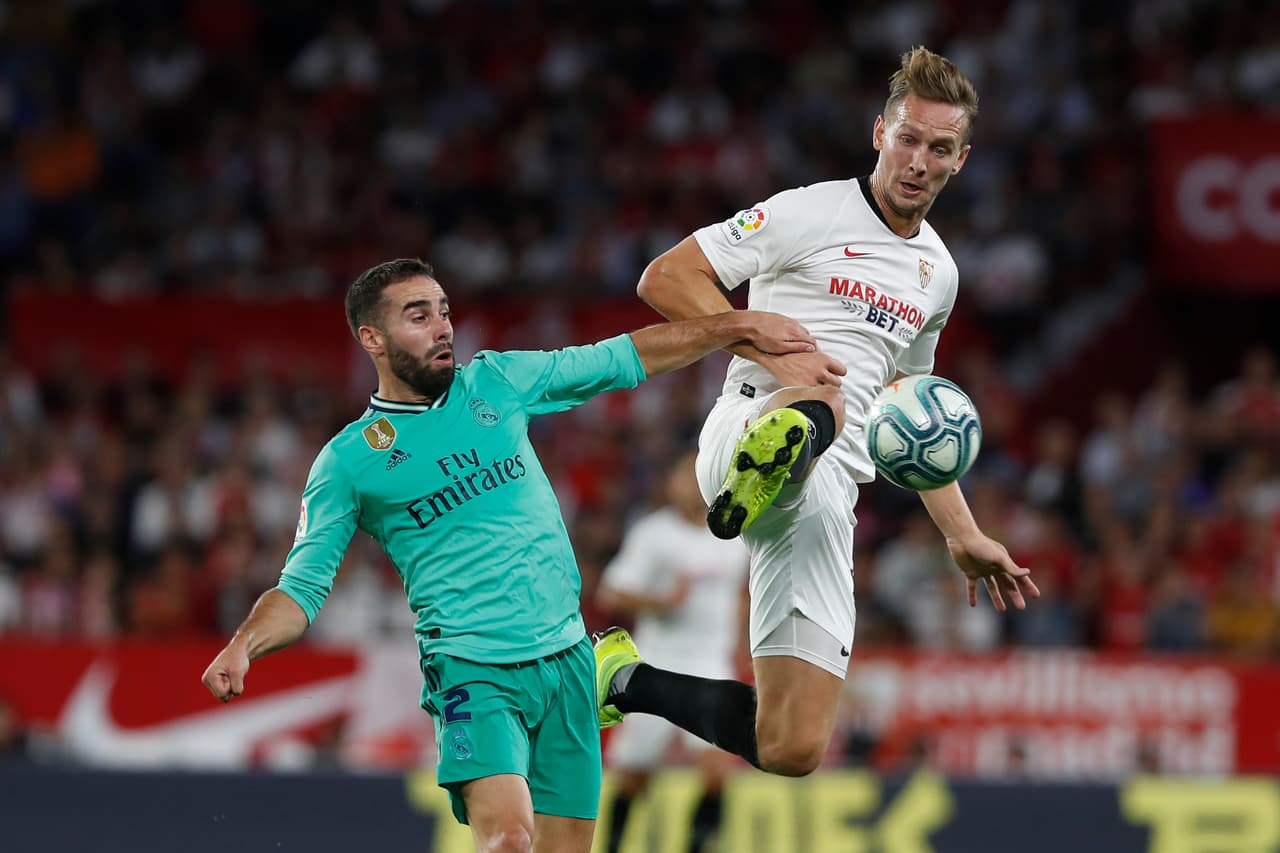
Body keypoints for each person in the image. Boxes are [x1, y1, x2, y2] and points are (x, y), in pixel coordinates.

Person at [200, 257, 816, 853]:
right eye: (418, 315)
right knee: (509, 839)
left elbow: (623, 358)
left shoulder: (496, 382)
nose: (442, 325)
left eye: (443, 310)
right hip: (472, 669)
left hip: (570, 659)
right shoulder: (349, 461)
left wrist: (734, 326)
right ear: (373, 338)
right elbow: (301, 589)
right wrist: (243, 644)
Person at [595, 47, 1040, 778]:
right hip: (747, 423)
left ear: (960, 161)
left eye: (938, 148)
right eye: (907, 138)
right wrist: (763, 345)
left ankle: (619, 677)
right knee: (821, 395)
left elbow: (909, 418)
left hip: (828, 498)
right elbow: (667, 276)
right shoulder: (809, 210)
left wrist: (964, 533)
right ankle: (762, 465)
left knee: (791, 746)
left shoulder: (940, 276)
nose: (918, 160)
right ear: (879, 134)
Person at [595, 449, 748, 853]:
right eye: (686, 477)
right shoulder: (654, 534)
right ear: (673, 483)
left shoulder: (735, 532)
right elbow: (611, 592)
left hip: (710, 665)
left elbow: (741, 595)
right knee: (634, 778)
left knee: (717, 772)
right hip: (656, 665)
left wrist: (744, 645)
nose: (693, 487)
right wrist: (663, 602)